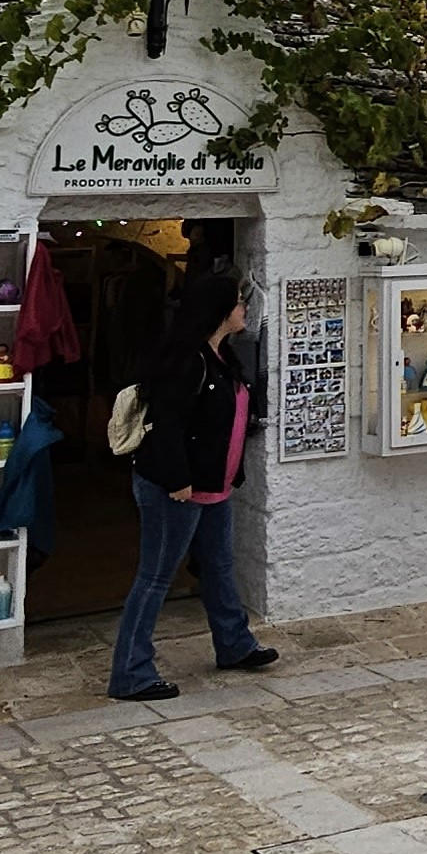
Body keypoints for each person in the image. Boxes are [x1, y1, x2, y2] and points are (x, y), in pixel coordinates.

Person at [110, 270, 275, 701]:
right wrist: (179, 480)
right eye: (238, 302)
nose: (244, 309)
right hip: (177, 489)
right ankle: (131, 673)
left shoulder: (221, 357)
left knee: (219, 569)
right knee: (155, 577)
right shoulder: (187, 362)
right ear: (219, 311)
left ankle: (235, 645)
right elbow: (167, 426)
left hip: (213, 487)